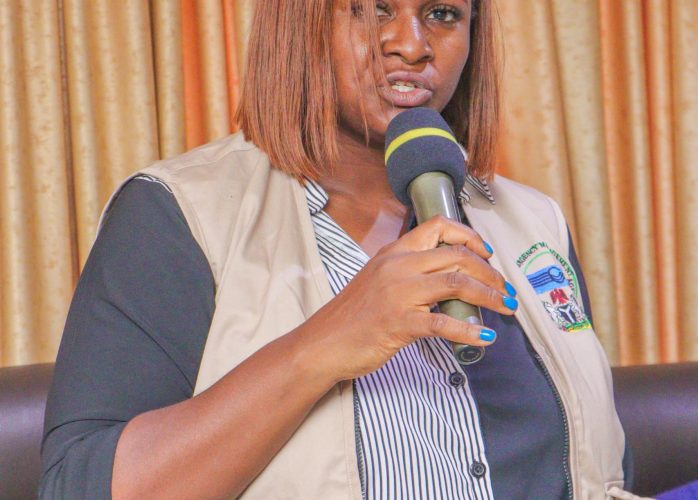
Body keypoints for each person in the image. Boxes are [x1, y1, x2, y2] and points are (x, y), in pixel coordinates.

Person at [40, 0, 634, 498]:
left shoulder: (533, 222)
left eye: (443, 14)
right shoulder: (175, 214)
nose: (411, 44)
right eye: (371, 8)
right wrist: (324, 344)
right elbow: (79, 486)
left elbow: (596, 466)